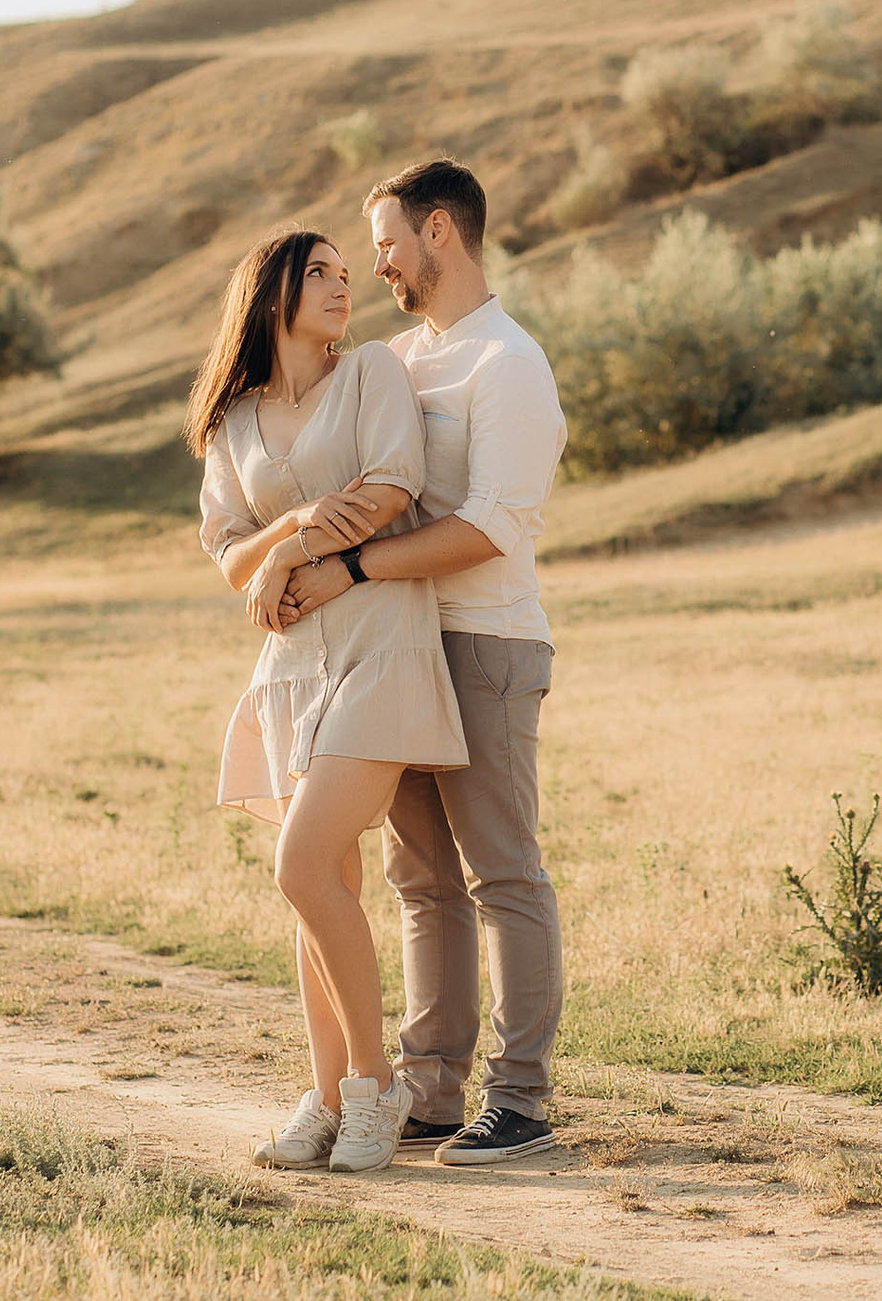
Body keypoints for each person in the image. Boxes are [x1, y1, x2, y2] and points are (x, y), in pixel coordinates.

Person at [279, 157, 570, 1165]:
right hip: (399, 648)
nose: (379, 267)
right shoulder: (399, 360)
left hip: (487, 642)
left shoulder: (509, 363)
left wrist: (352, 568)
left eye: (388, 244)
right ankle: (434, 1089)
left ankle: (520, 1100)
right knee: (421, 880)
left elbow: (489, 526)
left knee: (502, 871)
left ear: (439, 230)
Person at [187, 226, 468, 1174]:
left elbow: (390, 490)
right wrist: (300, 524)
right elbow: (232, 558)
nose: (345, 286)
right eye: (320, 273)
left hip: (382, 644)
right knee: (324, 886)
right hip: (293, 665)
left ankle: (375, 1086)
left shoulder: (373, 372)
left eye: (348, 274)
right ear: (271, 292)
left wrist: (295, 549)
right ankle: (329, 1094)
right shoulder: (234, 422)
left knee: (301, 863)